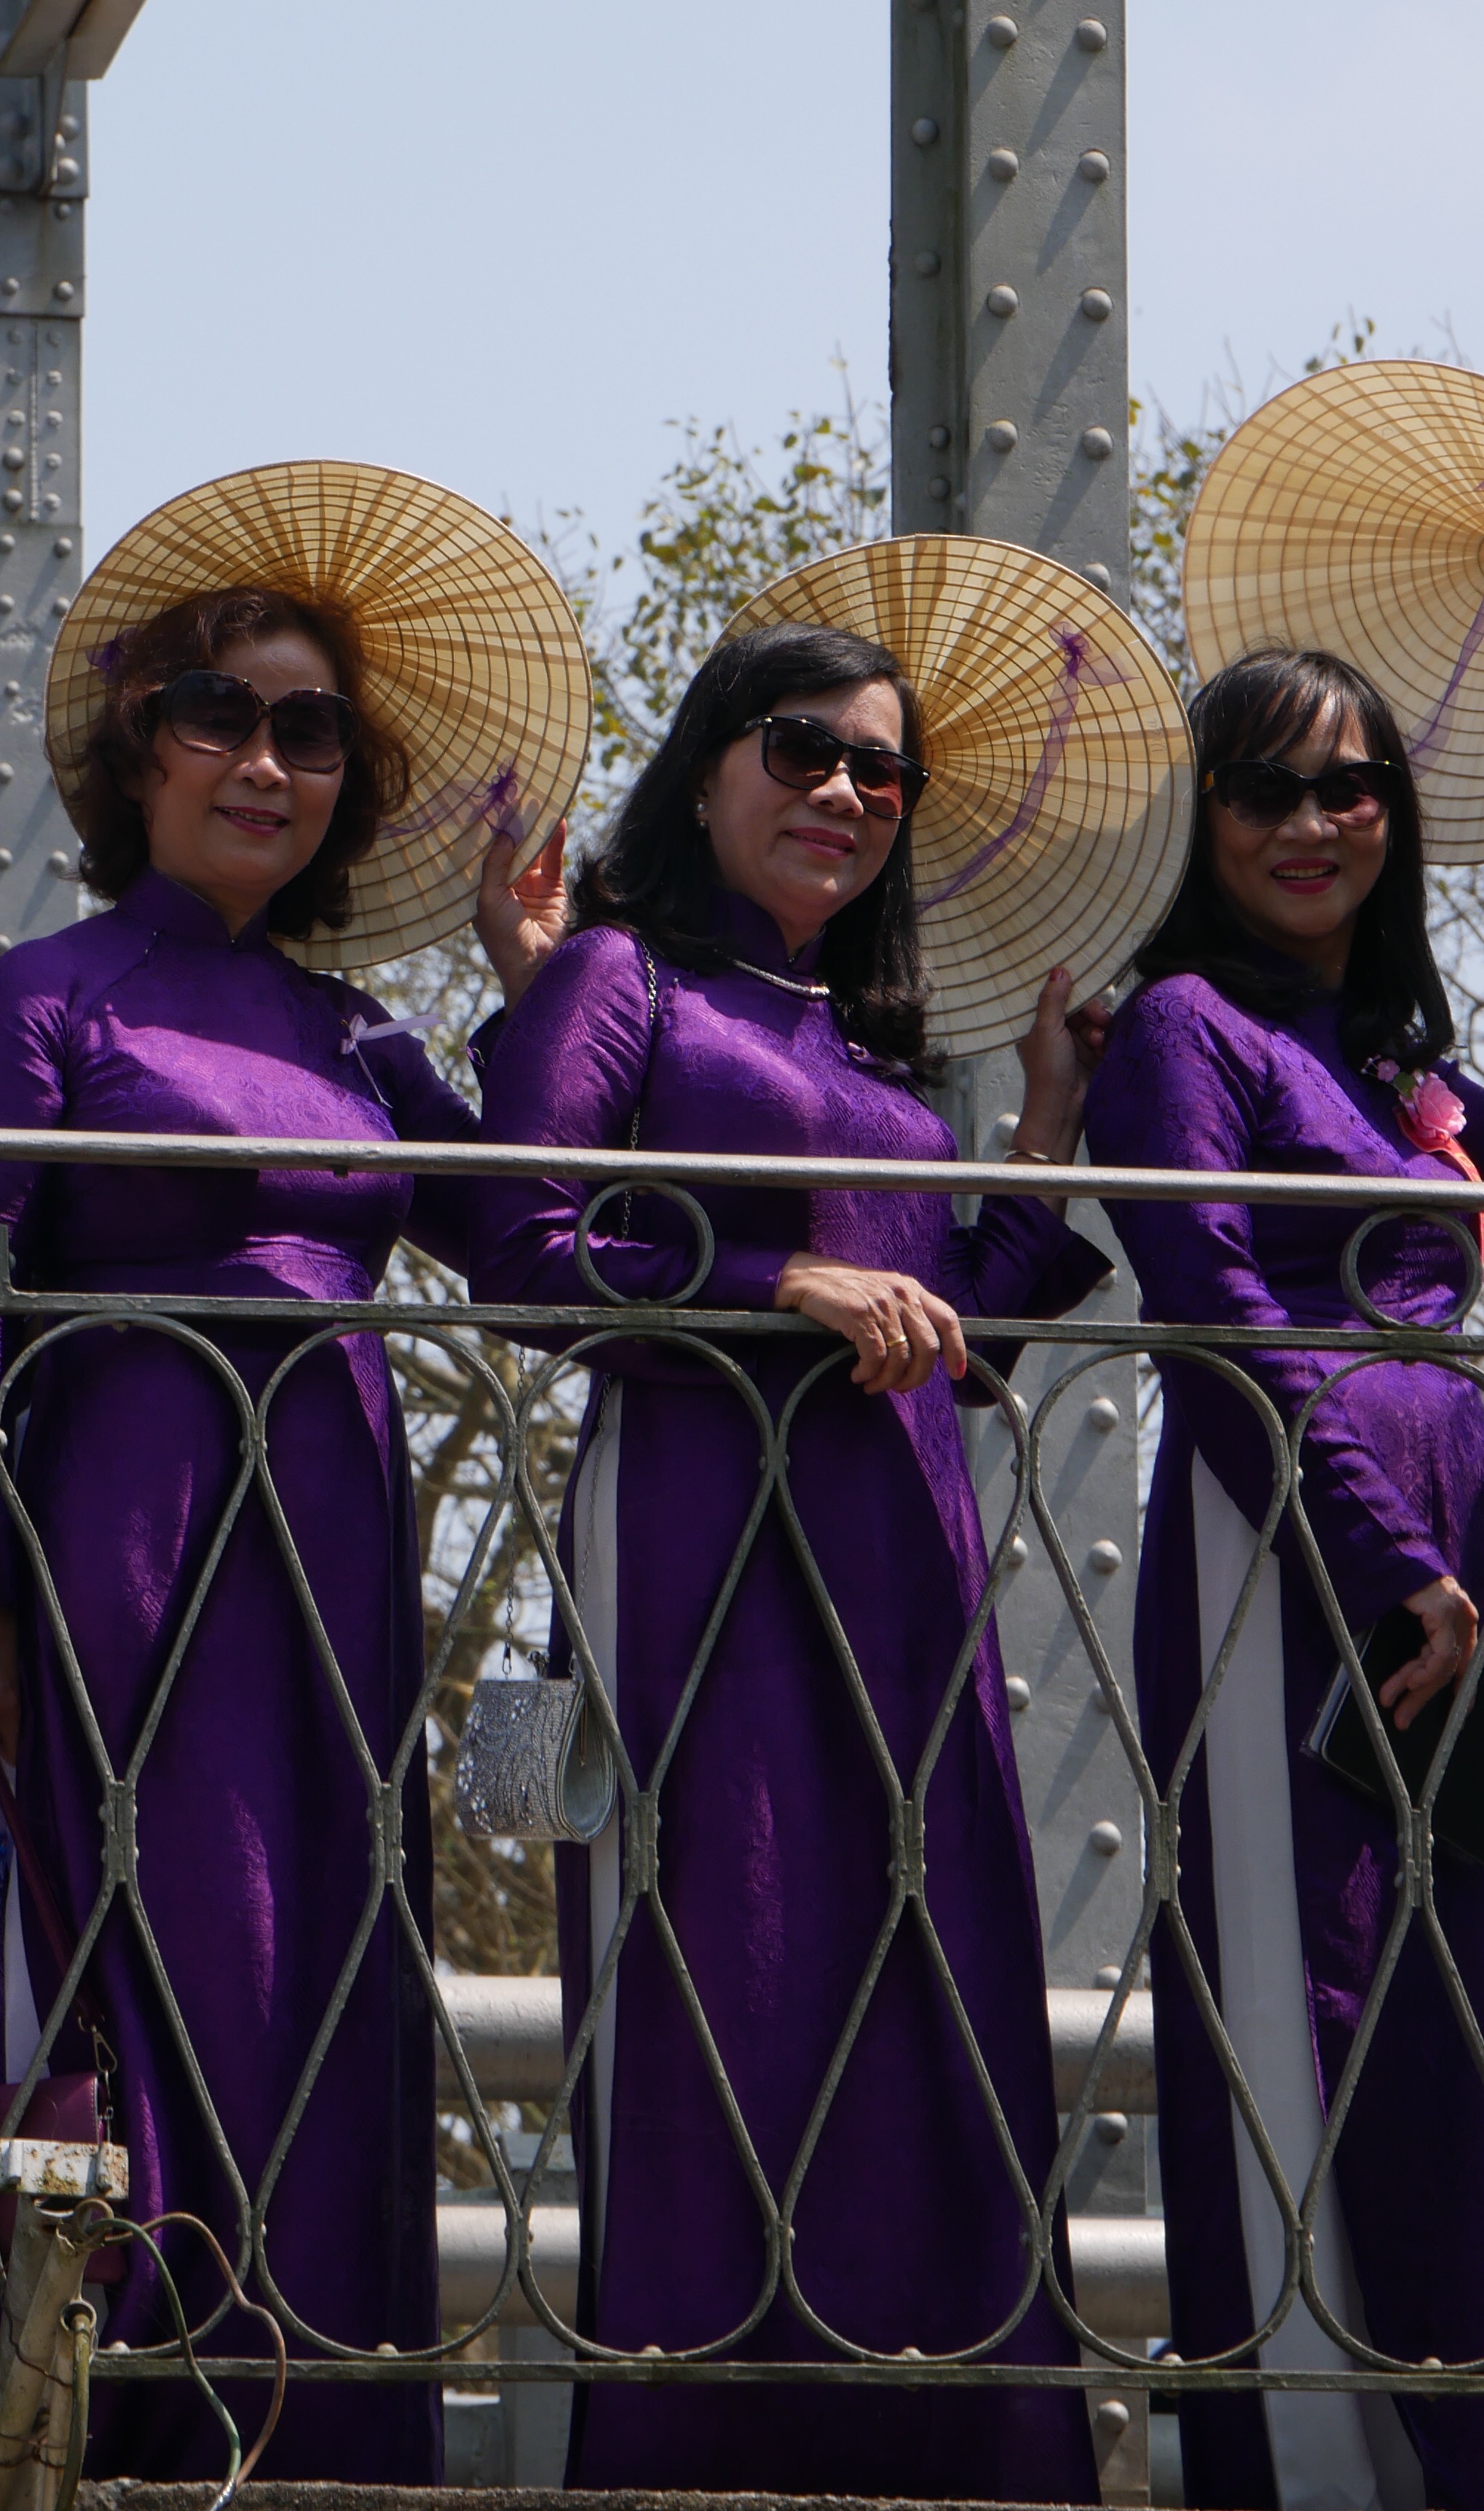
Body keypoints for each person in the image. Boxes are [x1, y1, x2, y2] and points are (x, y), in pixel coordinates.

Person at [0, 498, 575, 2484]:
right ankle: (123, 2409)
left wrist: (532, 987)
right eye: (221, 715)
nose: (266, 761)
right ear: (141, 749)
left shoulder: (362, 1036)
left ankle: (326, 2416)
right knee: (159, 1938)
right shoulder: (43, 1000)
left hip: (335, 1550)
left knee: (333, 1958)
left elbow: (532, 1258)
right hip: (130, 1531)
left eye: (311, 730)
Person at [469, 617, 1113, 2501]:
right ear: (706, 773)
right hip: (698, 1545)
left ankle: (945, 2450)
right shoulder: (622, 979)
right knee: (720, 1978)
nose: (843, 788)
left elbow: (967, 1335)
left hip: (899, 1564)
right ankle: (704, 2453)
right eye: (800, 747)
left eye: (879, 768)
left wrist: (1045, 1126)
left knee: (927, 1986)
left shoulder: (874, 1047)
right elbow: (521, 1250)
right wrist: (776, 1282)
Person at [1084, 646, 1484, 2510]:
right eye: (1267, 790)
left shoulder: (1383, 1055)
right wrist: (1379, 1555)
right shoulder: (1181, 1027)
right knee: (1324, 1987)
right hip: (1297, 1538)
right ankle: (1329, 2460)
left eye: (1351, 786)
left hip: (1454, 1543)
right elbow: (1209, 1302)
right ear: (1203, 819)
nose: (1314, 823)